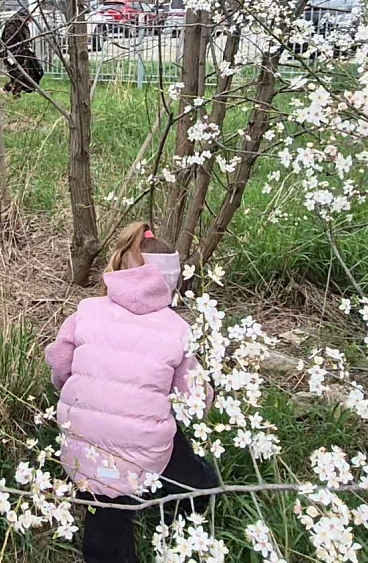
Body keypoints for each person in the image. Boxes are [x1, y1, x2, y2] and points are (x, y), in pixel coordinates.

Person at [45, 222, 218, 563]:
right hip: (141, 450)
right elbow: (196, 398)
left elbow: (59, 363)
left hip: (81, 442)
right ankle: (178, 528)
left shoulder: (87, 310)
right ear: (172, 281)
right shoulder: (176, 330)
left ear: (122, 268)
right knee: (196, 481)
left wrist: (76, 391)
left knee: (107, 519)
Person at [1, 9, 43, 97]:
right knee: (18, 75)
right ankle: (16, 95)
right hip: (11, 54)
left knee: (30, 73)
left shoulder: (23, 25)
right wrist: (11, 56)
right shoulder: (12, 25)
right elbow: (9, 42)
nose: (30, 22)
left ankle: (6, 89)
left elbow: (26, 39)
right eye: (29, 19)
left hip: (23, 53)